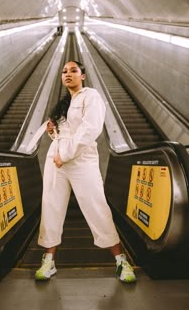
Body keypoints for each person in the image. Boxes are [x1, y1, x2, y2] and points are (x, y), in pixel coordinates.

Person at [35, 60, 136, 283]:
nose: (67, 74)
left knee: (96, 206)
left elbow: (90, 130)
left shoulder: (92, 97)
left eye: (73, 70)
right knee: (51, 206)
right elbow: (64, 133)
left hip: (81, 161)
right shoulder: (64, 104)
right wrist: (53, 133)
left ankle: (121, 261)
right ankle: (48, 261)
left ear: (83, 76)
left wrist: (66, 154)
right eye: (64, 71)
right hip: (57, 160)